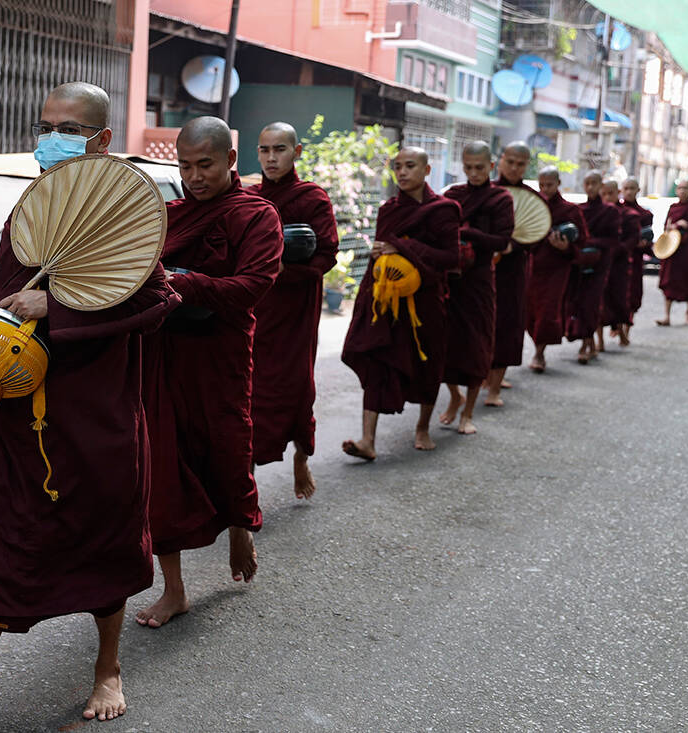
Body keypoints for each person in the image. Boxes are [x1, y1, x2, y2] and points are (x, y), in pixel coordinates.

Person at [0, 82, 180, 733]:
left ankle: (108, 665)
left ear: (103, 139)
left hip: (92, 419)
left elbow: (158, 301)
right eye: (47, 123)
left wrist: (54, 309)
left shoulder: (122, 212)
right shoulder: (33, 205)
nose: (53, 136)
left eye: (70, 126)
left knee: (101, 544)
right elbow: (3, 289)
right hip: (14, 414)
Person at [137, 117, 283, 628]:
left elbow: (253, 286)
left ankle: (240, 525)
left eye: (205, 164)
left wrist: (184, 281)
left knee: (227, 447)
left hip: (220, 354)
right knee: (162, 467)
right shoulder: (169, 215)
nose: (194, 176)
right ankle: (174, 590)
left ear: (229, 161)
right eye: (185, 165)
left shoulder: (256, 216)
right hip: (162, 354)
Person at [341, 147, 461, 458]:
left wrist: (404, 246)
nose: (403, 172)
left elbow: (450, 257)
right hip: (388, 298)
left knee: (428, 363)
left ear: (427, 170)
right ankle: (368, 440)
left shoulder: (444, 209)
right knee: (379, 359)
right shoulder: (389, 209)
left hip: (427, 300)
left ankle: (422, 427)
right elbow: (381, 253)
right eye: (398, 167)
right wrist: (368, 300)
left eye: (410, 166)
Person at [248, 122, 339, 499]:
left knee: (296, 388)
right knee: (249, 392)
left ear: (297, 152)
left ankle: (302, 458)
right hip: (256, 308)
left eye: (280, 149)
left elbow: (328, 254)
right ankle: (245, 483)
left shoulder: (312, 198)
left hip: (295, 310)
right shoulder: (249, 198)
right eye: (265, 150)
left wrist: (289, 270)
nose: (271, 158)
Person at [439, 142, 514, 434]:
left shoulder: (500, 199)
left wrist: (468, 233)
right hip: (452, 279)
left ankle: (468, 413)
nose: (473, 173)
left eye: (479, 168)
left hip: (480, 280)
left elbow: (502, 241)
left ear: (491, 166)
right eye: (468, 167)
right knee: (446, 343)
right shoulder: (454, 195)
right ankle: (454, 396)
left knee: (477, 345)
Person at [486, 141, 540, 406]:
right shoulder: (486, 193)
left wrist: (514, 245)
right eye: (511, 162)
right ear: (500, 161)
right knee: (483, 324)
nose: (515, 168)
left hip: (514, 271)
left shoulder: (533, 198)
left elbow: (536, 234)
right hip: (483, 268)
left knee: (508, 327)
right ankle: (482, 376)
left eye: (521, 164)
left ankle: (494, 389)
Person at [527, 167, 587, 373]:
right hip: (533, 266)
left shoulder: (570, 210)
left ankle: (539, 353)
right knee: (530, 312)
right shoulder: (533, 207)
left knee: (547, 311)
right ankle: (537, 348)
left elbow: (582, 241)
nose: (545, 189)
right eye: (541, 185)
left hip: (557, 269)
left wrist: (566, 247)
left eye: (549, 185)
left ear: (558, 183)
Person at [566, 172, 619, 364]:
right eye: (587, 183)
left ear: (600, 185)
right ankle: (588, 343)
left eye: (594, 183)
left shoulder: (610, 211)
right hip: (580, 262)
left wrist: (591, 242)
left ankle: (586, 345)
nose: (590, 187)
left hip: (600, 264)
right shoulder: (577, 210)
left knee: (592, 303)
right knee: (578, 303)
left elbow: (614, 239)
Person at [655, 179, 688, 326]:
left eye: (685, 188)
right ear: (676, 191)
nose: (682, 191)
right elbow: (667, 226)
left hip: (686, 249)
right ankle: (667, 315)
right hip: (671, 249)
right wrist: (672, 227)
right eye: (680, 188)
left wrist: (687, 225)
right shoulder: (673, 207)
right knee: (668, 281)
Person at [598, 179, 640, 349]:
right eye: (604, 194)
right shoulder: (598, 212)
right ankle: (599, 341)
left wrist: (616, 249)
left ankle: (622, 332)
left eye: (611, 193)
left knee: (619, 300)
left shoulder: (629, 215)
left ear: (618, 194)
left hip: (620, 264)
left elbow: (633, 239)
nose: (608, 197)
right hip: (600, 263)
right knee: (599, 301)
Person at [620, 178, 653, 335]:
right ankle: (618, 326)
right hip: (618, 258)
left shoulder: (645, 214)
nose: (628, 192)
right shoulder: (614, 211)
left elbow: (647, 238)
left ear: (638, 190)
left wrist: (644, 244)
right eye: (626, 188)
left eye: (632, 188)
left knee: (632, 294)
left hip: (635, 259)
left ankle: (626, 329)